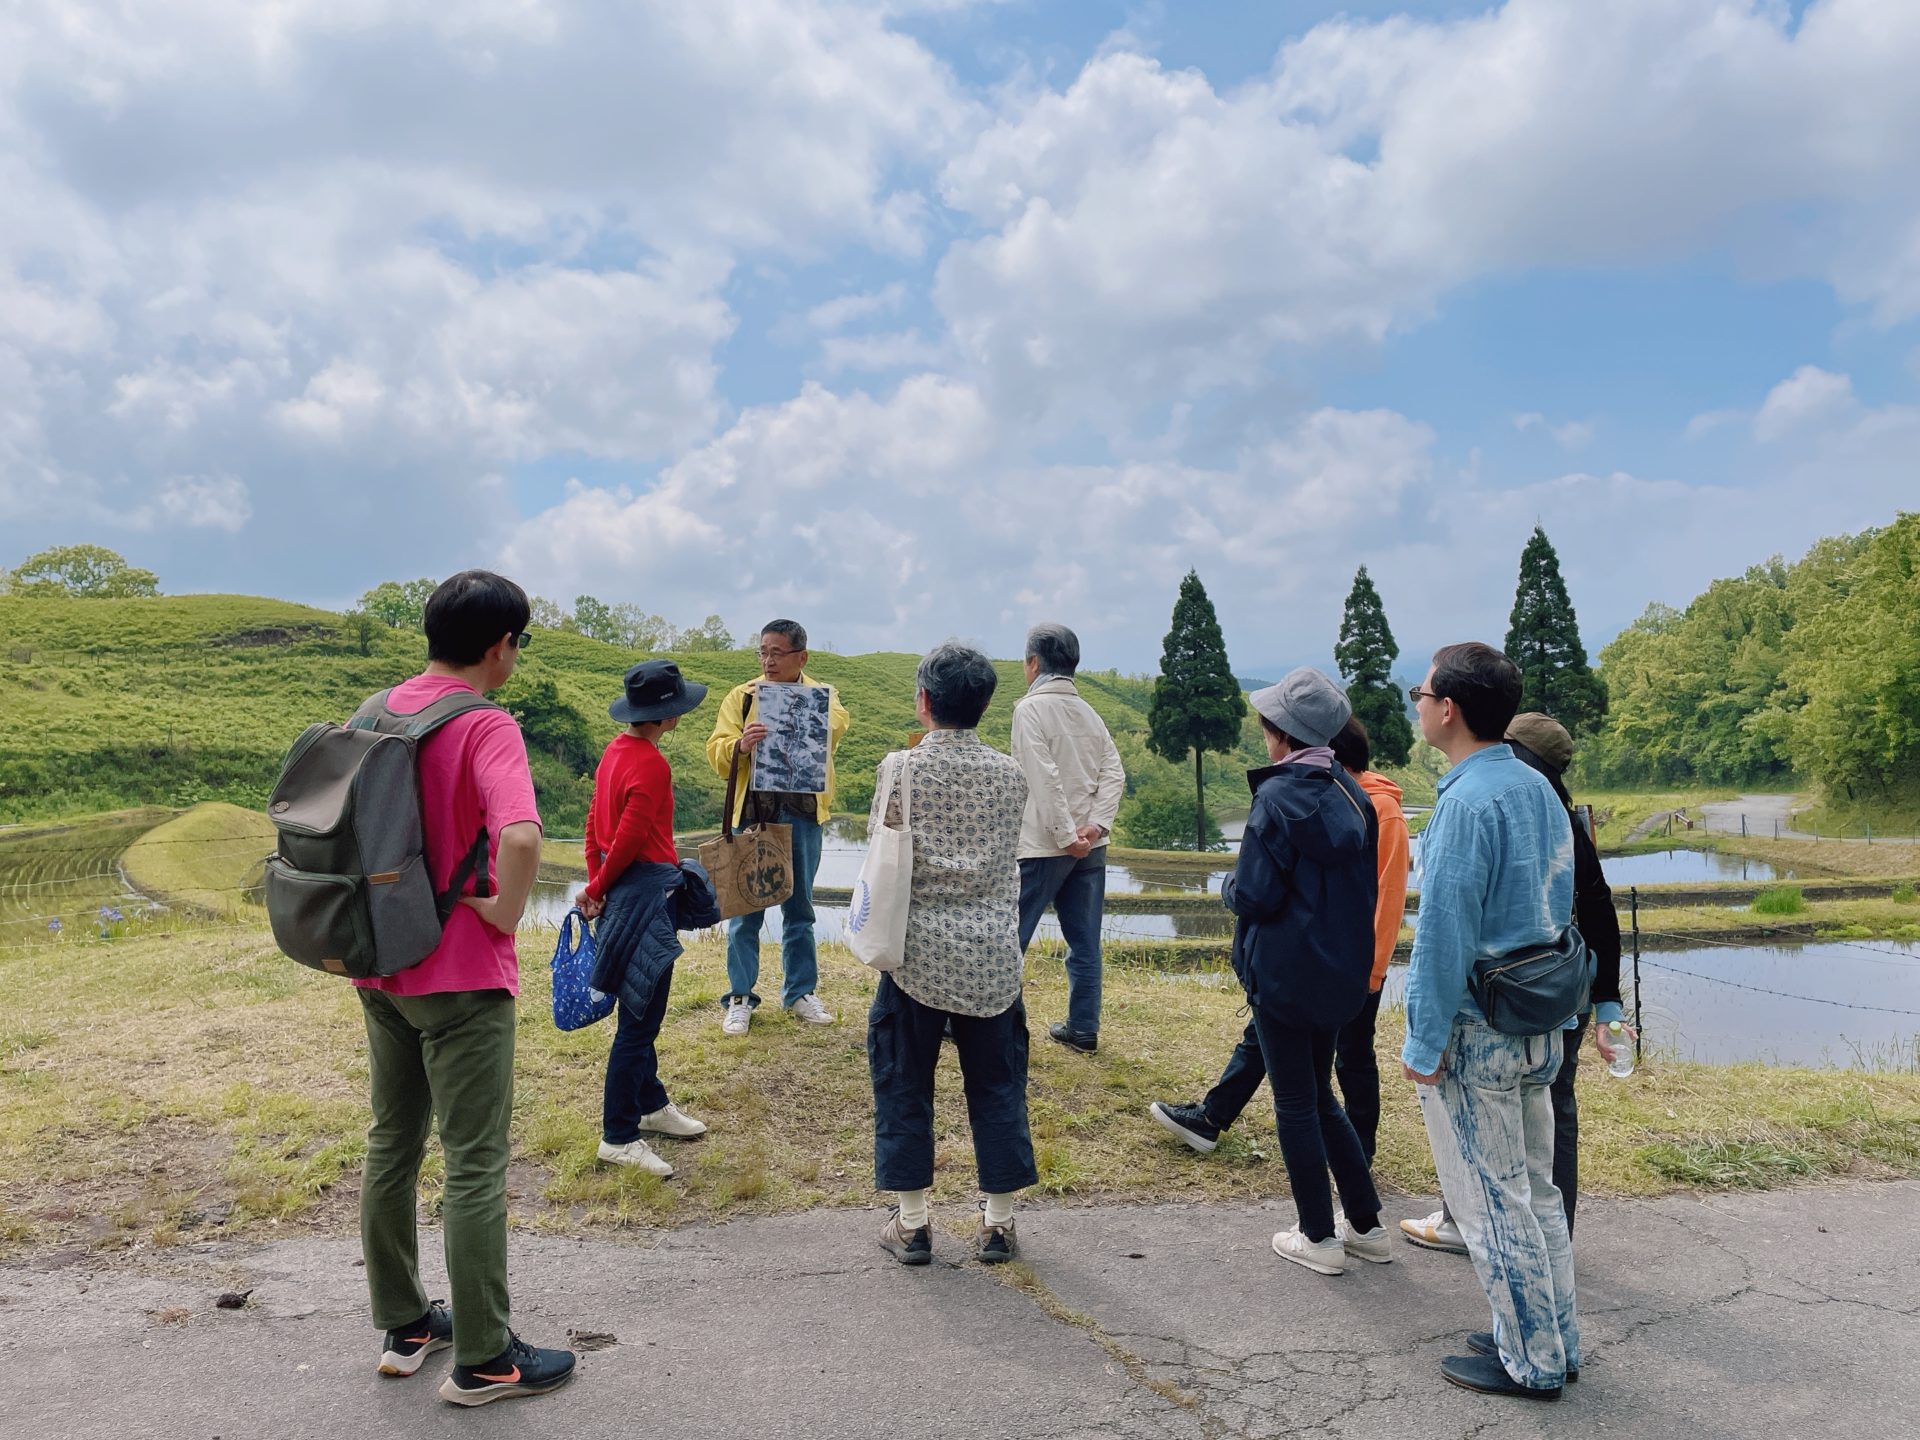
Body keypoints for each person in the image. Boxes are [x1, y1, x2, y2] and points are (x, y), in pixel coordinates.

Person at [351, 570, 575, 1407]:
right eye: (520, 641)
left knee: (391, 1143)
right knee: (474, 1161)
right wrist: (506, 913)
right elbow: (519, 834)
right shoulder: (486, 725)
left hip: (379, 963)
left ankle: (405, 1322)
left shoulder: (374, 711)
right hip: (461, 976)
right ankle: (486, 1361)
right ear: (500, 646)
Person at [1401, 643, 1580, 1401]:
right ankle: (1552, 1337)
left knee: (1490, 1200)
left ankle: (1530, 1362)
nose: (1417, 699)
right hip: (1542, 1011)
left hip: (1481, 1026)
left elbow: (1443, 932)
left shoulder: (1466, 802)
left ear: (1449, 709)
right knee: (1536, 1190)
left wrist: (1422, 1038)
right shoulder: (1535, 785)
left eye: (1423, 689)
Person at [1399, 711, 1630, 1251]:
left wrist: (1425, 1034)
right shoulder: (1557, 811)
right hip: (1562, 995)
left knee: (1495, 1134)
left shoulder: (1500, 805)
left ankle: (1499, 1235)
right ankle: (1549, 1237)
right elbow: (1601, 910)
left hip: (1499, 1001)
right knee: (1552, 1121)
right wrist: (1609, 1005)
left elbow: (1450, 926)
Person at [1147, 714, 1409, 1163]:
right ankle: (1213, 1118)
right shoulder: (1334, 797)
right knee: (1267, 1039)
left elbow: (1388, 895)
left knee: (1350, 1059)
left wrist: (1374, 969)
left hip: (1355, 962)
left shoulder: (1375, 808)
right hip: (1311, 957)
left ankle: (1358, 1156)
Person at [868, 643, 1036, 1266]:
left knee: (904, 1080)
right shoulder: (1011, 775)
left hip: (915, 955)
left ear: (924, 702)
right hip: (993, 956)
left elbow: (881, 844)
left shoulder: (901, 768)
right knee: (997, 1084)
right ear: (986, 706)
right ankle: (998, 1224)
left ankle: (912, 1225)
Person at [1220, 669, 1388, 1276]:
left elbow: (1257, 896)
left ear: (1283, 733)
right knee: (1320, 1094)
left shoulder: (1275, 798)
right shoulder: (1354, 793)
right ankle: (1367, 1225)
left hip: (1284, 975)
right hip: (1340, 973)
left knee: (1295, 1100)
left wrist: (1228, 887)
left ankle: (1318, 1235)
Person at [578, 660, 713, 1179]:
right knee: (639, 1022)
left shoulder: (615, 751)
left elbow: (596, 823)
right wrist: (597, 887)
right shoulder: (653, 765)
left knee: (640, 1006)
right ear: (667, 714)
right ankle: (618, 1135)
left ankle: (651, 1105)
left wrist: (595, 884)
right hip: (645, 895)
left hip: (621, 891)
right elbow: (632, 838)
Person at [704, 619, 850, 1034]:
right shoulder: (743, 697)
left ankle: (800, 992)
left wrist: (799, 708)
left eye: (777, 653)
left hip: (803, 815)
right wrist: (740, 745)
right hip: (755, 814)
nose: (768, 661)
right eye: (763, 652)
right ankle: (739, 996)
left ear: (801, 657)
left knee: (799, 907)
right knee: (744, 909)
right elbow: (716, 751)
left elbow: (835, 730)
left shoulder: (825, 697)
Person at [1010, 623, 1126, 1053]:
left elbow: (1043, 778)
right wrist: (1093, 828)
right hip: (1091, 847)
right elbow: (1114, 774)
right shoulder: (1090, 714)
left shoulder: (1029, 710)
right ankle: (1082, 1027)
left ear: (1034, 663)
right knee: (1084, 941)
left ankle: (999, 1020)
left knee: (1013, 935)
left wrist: (1064, 834)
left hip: (1043, 845)